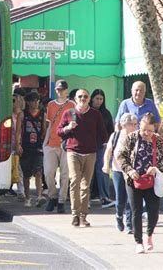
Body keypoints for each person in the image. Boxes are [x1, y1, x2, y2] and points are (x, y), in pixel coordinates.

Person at [117, 113, 163, 254]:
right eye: (144, 129)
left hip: (152, 180)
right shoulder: (132, 138)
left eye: (150, 130)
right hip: (133, 180)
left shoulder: (157, 140)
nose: (147, 133)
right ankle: (138, 242)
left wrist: (156, 168)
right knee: (136, 211)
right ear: (140, 125)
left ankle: (149, 235)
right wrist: (129, 170)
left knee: (153, 211)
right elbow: (121, 156)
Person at [57, 89, 108, 227]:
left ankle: (83, 216)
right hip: (73, 152)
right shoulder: (69, 113)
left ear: (89, 98)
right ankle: (75, 214)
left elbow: (103, 132)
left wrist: (104, 146)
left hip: (90, 153)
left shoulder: (95, 114)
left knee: (85, 185)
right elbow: (59, 131)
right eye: (80, 96)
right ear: (75, 98)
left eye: (85, 96)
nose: (83, 98)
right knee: (74, 181)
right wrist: (68, 127)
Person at [43, 80, 75, 213]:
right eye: (58, 89)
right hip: (51, 143)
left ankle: (61, 201)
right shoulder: (50, 105)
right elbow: (50, 124)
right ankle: (52, 196)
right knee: (49, 172)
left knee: (65, 174)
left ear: (66, 90)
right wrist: (45, 141)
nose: (60, 91)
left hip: (66, 144)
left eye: (62, 89)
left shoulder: (72, 105)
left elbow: (73, 124)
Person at [103, 113, 137, 234]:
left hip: (132, 172)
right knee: (120, 198)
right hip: (117, 170)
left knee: (130, 198)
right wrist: (106, 165)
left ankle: (129, 224)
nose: (133, 126)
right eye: (130, 124)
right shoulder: (116, 135)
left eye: (135, 124)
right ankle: (118, 216)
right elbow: (108, 151)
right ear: (123, 124)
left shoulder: (138, 137)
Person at [16, 91, 47, 208]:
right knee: (26, 175)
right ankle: (28, 197)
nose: (36, 103)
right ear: (28, 102)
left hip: (38, 147)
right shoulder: (22, 115)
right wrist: (18, 144)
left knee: (38, 172)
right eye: (33, 100)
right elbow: (18, 131)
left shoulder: (42, 114)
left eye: (37, 100)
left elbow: (44, 129)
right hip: (25, 146)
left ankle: (39, 196)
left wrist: (44, 142)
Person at [90, 89, 115, 208]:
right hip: (88, 146)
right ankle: (87, 196)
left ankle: (104, 196)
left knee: (102, 170)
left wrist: (109, 144)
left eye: (101, 99)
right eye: (97, 98)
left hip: (102, 146)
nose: (99, 101)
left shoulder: (106, 113)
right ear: (92, 98)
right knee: (88, 172)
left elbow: (111, 130)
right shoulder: (87, 111)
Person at [11, 93, 26, 201]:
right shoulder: (10, 114)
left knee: (17, 167)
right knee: (13, 167)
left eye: (14, 101)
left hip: (16, 143)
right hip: (9, 143)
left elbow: (18, 131)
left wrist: (17, 144)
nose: (12, 103)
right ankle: (20, 190)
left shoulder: (20, 115)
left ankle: (21, 191)